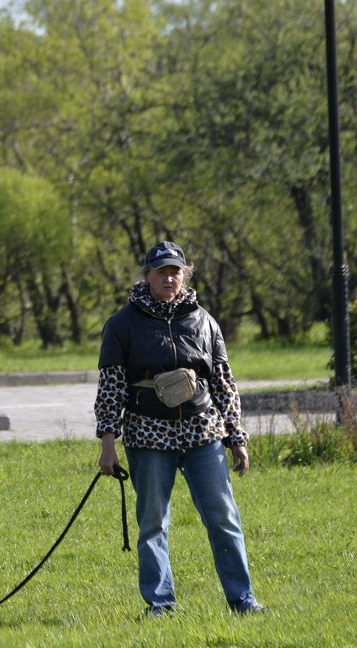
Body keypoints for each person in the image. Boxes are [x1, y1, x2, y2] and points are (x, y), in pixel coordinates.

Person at [95, 241, 266, 617]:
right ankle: (159, 604)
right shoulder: (122, 324)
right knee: (153, 523)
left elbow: (224, 382)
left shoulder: (205, 321)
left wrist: (236, 437)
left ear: (185, 275)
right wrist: (108, 443)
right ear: (147, 276)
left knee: (224, 519)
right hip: (148, 434)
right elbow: (111, 386)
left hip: (203, 433)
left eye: (176, 271)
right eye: (161, 272)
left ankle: (243, 600)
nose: (169, 278)